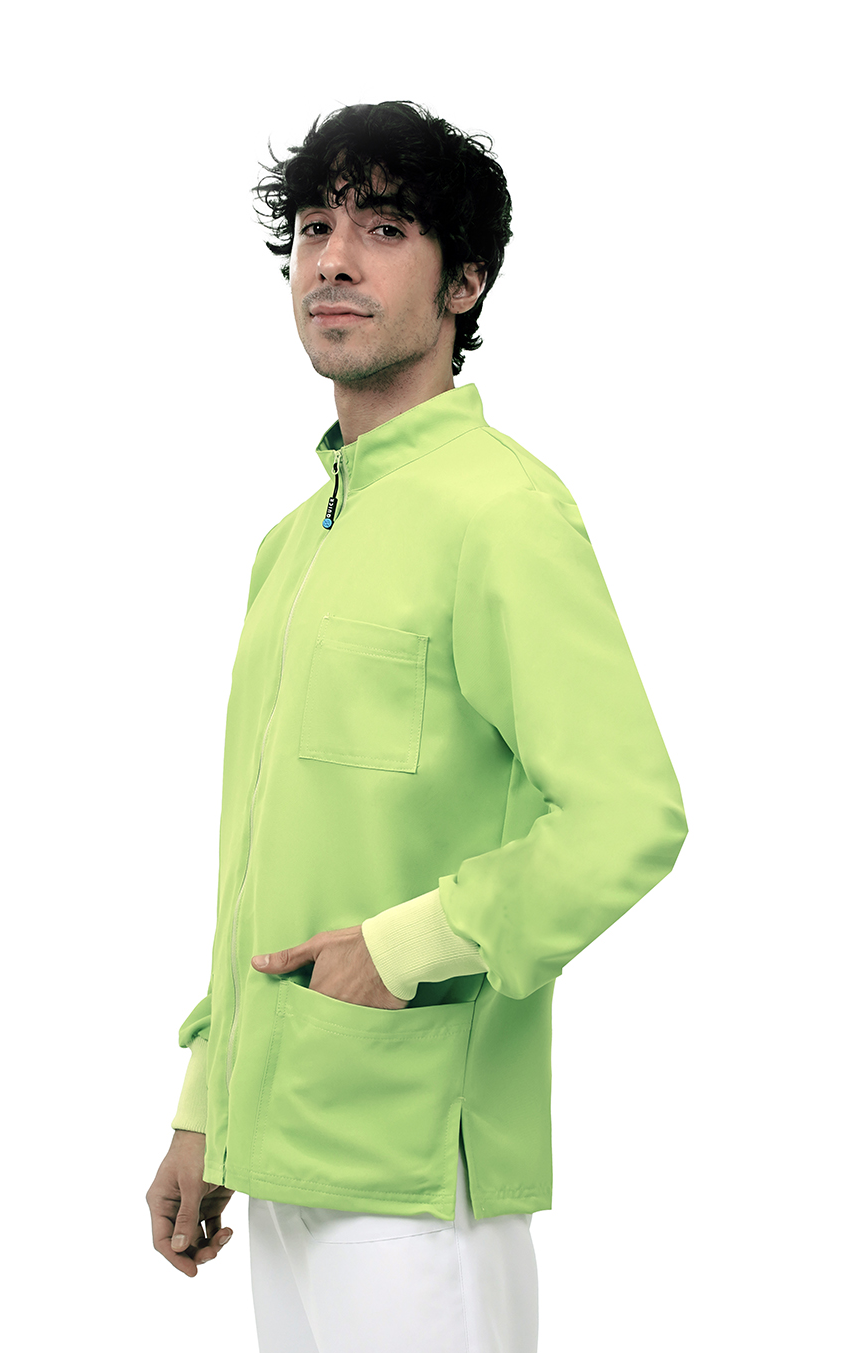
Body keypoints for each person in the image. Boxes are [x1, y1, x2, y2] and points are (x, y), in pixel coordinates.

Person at [145, 99, 688, 1353]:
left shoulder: (502, 512)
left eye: (384, 230)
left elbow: (628, 817)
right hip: (280, 1152)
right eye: (314, 227)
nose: (333, 259)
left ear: (465, 283)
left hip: (416, 1172)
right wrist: (205, 1104)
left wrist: (403, 948)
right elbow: (263, 863)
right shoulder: (293, 543)